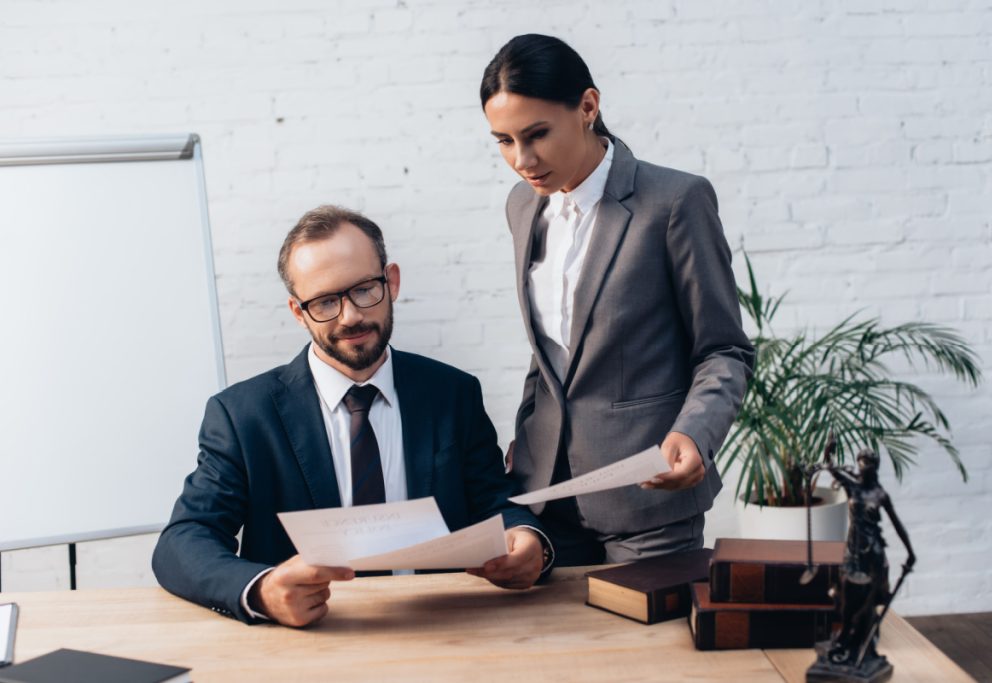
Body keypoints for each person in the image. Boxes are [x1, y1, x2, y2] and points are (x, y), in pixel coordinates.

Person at [153, 205, 550, 627]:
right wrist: (262, 589)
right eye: (324, 301)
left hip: (442, 631)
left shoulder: (453, 393)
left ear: (391, 281)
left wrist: (529, 541)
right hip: (307, 642)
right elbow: (182, 541)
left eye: (363, 289)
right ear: (297, 311)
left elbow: (494, 502)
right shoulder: (242, 416)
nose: (350, 316)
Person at [480, 34, 755, 565]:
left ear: (588, 106)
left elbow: (724, 351)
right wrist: (527, 434)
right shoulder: (522, 206)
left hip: (648, 500)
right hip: (546, 500)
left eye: (537, 134)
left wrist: (695, 434)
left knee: (648, 649)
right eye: (504, 141)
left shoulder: (674, 203)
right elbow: (552, 352)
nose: (523, 159)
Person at [818, 449, 915, 670]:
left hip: (873, 552)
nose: (865, 467)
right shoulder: (852, 486)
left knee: (868, 600)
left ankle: (861, 642)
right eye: (862, 463)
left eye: (870, 464)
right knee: (844, 595)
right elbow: (831, 467)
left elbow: (897, 524)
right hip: (853, 551)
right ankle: (843, 637)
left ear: (875, 467)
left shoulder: (880, 494)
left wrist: (910, 551)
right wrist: (828, 449)